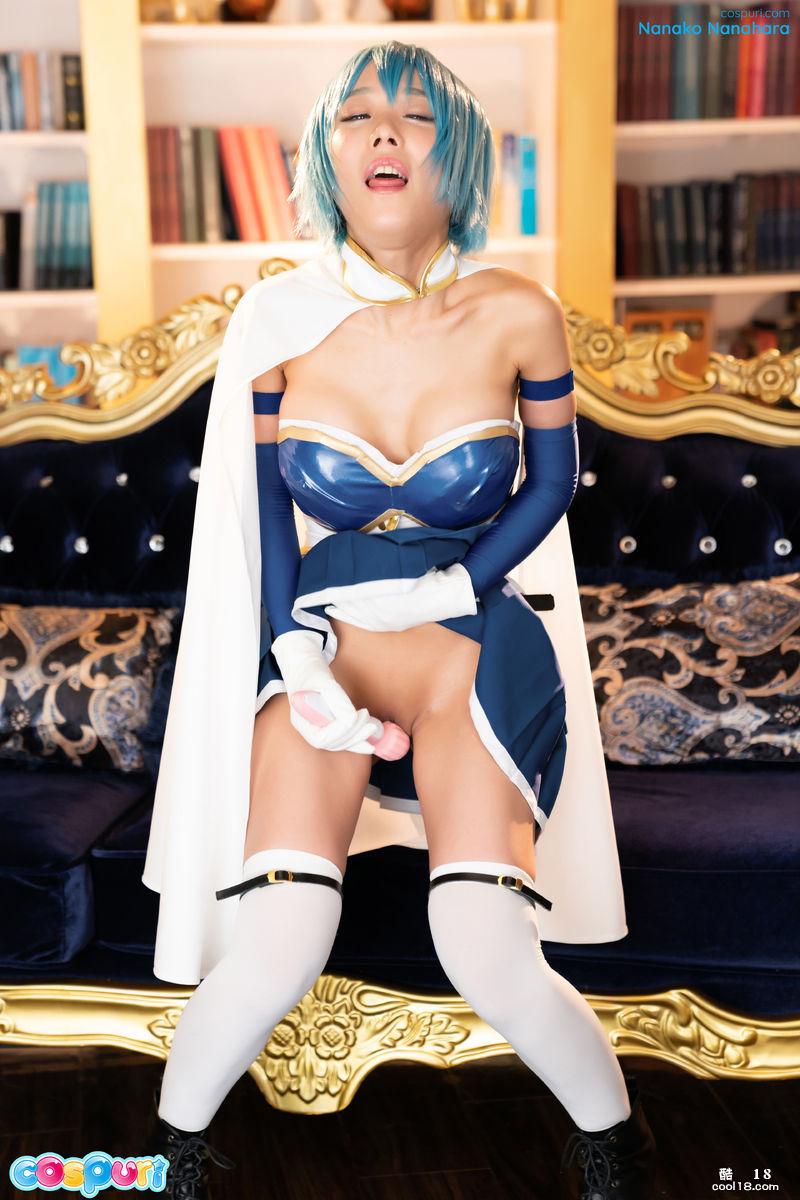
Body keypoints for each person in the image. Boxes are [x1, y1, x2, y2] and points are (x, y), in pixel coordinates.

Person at [144, 40, 657, 1200]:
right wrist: (293, 654)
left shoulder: (517, 311)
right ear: (324, 156)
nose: (384, 132)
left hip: (472, 655)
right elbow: (260, 520)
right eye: (356, 116)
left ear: (458, 154)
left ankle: (616, 1157)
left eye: (416, 116)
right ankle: (167, 1167)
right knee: (274, 946)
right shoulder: (274, 320)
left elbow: (550, 484)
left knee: (486, 950)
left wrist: (451, 586)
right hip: (322, 657)